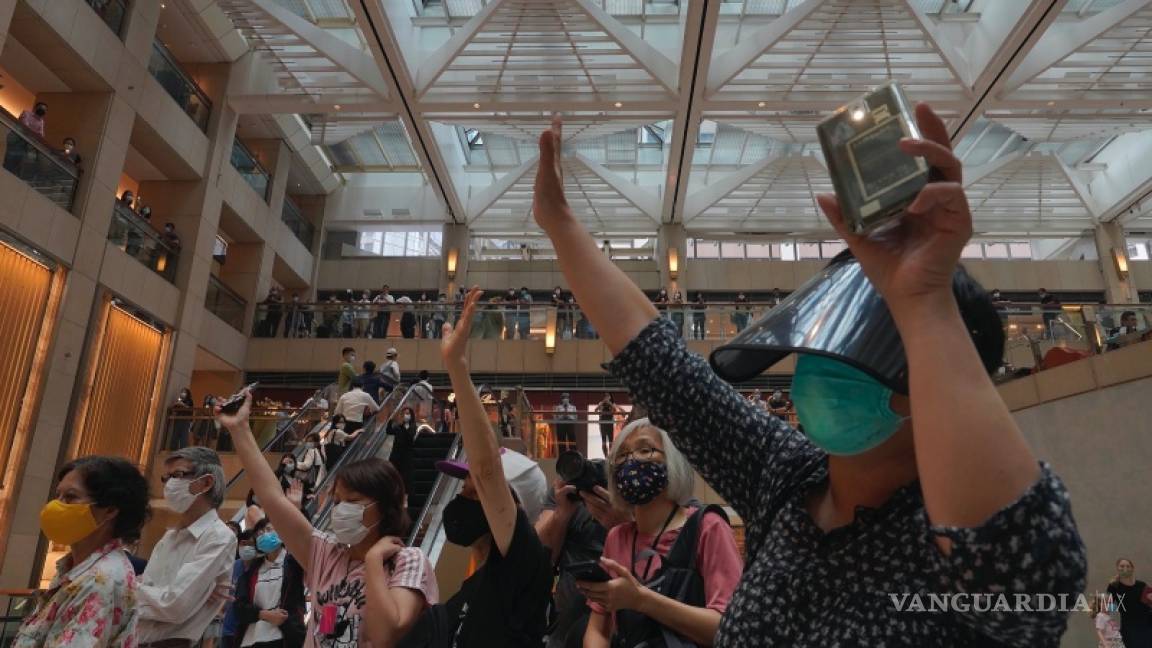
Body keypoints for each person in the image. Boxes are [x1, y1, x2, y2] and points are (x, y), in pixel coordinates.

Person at [531, 109, 1086, 645]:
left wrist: (924, 298)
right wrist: (559, 225)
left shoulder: (952, 548)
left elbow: (1019, 562)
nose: (823, 366)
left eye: (864, 347)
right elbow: (664, 368)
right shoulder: (789, 477)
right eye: (829, 341)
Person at [221, 393, 438, 648]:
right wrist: (240, 430)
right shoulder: (326, 555)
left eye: (352, 501)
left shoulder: (407, 561)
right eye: (336, 502)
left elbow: (387, 635)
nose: (340, 510)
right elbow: (273, 499)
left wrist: (372, 562)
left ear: (383, 507)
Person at [397, 288, 552, 647]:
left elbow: (485, 471)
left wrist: (457, 369)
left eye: (473, 492)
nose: (462, 500)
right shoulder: (469, 586)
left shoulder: (524, 564)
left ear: (512, 504)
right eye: (463, 490)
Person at [579, 419, 744, 647]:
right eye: (622, 454)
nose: (631, 460)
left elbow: (731, 629)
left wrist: (641, 600)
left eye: (645, 450)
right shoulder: (617, 537)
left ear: (673, 461)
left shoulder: (708, 527)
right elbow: (598, 630)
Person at [14, 456, 150, 648]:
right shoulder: (77, 567)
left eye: (70, 497)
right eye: (58, 495)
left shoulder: (100, 580)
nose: (56, 506)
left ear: (110, 510)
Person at [137, 447, 238, 648]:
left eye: (178, 475)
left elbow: (175, 606)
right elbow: (152, 590)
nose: (169, 485)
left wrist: (127, 589)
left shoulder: (218, 536)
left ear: (207, 482)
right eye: (166, 478)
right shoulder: (170, 537)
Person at [535, 464, 630, 648]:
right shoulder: (571, 491)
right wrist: (562, 514)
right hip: (566, 628)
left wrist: (625, 525)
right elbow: (537, 562)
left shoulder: (670, 502)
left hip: (628, 627)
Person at [234, 520, 307, 648]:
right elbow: (239, 607)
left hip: (287, 635)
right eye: (259, 533)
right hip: (253, 638)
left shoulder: (294, 564)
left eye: (268, 529)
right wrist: (264, 614)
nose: (263, 534)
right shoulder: (250, 572)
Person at [223, 528, 259, 648]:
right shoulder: (233, 566)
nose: (246, 547)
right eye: (243, 543)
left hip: (249, 629)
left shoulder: (259, 568)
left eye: (251, 544)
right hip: (228, 628)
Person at [1107, 559, 1152, 648]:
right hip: (1129, 627)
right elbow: (1110, 607)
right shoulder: (1113, 587)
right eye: (1122, 566)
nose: (1125, 568)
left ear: (1132, 568)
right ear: (1118, 568)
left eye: (1128, 566)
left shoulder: (1142, 585)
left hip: (1147, 625)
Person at [387, 407, 419, 497]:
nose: (406, 415)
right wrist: (390, 421)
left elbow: (410, 437)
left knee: (405, 477)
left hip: (406, 456)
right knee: (393, 474)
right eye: (405, 413)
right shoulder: (398, 427)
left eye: (408, 413)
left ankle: (404, 497)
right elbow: (389, 431)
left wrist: (404, 427)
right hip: (396, 455)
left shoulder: (413, 426)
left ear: (411, 415)